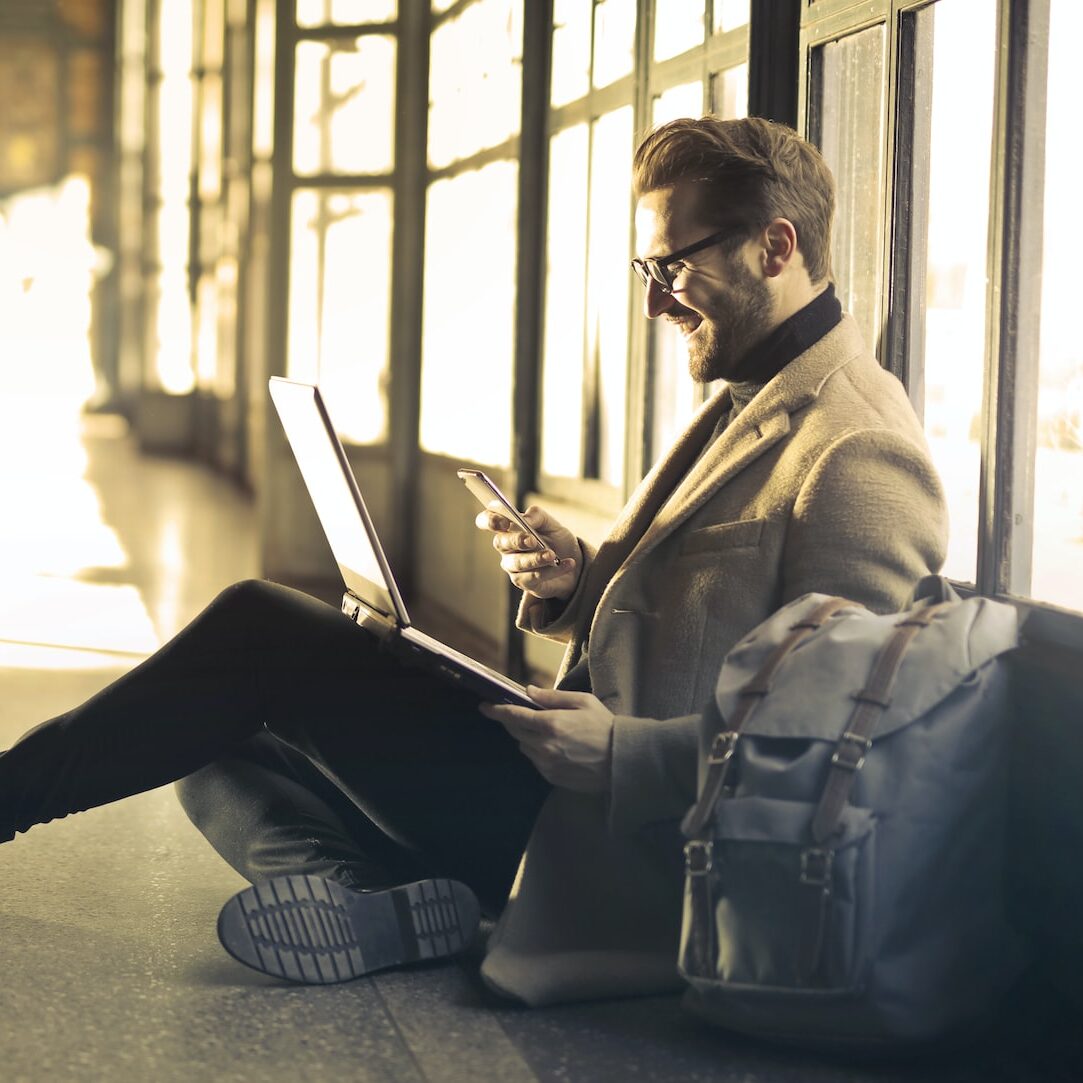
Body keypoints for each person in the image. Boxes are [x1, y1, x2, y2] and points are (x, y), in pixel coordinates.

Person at [0, 116, 947, 1005]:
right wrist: (579, 580)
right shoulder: (753, 390)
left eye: (671, 266)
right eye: (644, 267)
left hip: (633, 837)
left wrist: (625, 751)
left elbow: (842, 754)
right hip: (562, 787)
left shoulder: (857, 448)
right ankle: (381, 901)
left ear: (774, 248)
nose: (655, 299)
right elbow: (703, 610)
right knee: (207, 736)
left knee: (256, 630)